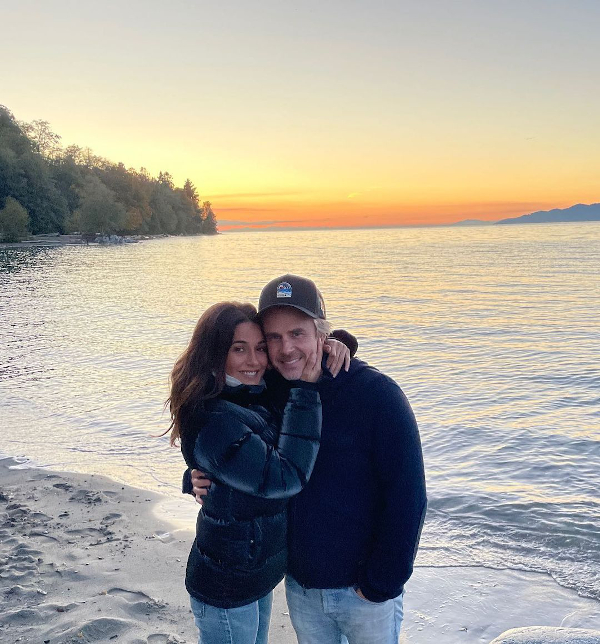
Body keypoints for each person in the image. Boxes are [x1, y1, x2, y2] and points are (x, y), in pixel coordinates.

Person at [190, 275, 427, 644]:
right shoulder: (272, 390)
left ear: (321, 334)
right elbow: (227, 440)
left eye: (297, 333)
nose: (285, 348)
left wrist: (381, 583)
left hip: (363, 592)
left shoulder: (377, 395)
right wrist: (196, 476)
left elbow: (408, 496)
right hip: (300, 587)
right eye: (273, 337)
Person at [168, 301, 331, 644]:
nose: (254, 361)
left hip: (254, 572)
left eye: (260, 348)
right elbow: (284, 477)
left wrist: (335, 342)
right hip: (227, 581)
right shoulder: (215, 417)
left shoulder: (252, 393)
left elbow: (230, 465)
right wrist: (306, 393)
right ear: (214, 354)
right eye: (239, 349)